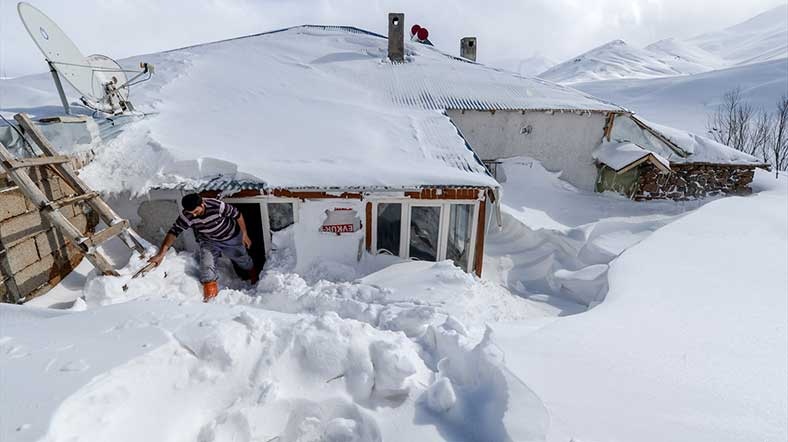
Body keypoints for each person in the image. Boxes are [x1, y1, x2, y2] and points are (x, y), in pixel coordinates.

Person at [148, 193, 258, 302]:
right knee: (206, 267)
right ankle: (209, 300)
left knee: (243, 260)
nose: (194, 215)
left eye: (196, 211)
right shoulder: (187, 215)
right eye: (192, 213)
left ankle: (254, 278)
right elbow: (173, 232)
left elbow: (237, 214)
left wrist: (244, 234)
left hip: (230, 237)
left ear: (202, 204)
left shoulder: (217, 206)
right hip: (209, 241)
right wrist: (160, 255)